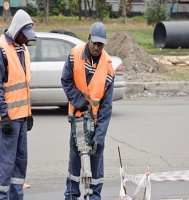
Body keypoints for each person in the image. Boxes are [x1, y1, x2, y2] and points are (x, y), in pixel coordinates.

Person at [61, 22, 115, 200]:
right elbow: (66, 81)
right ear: (89, 38)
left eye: (101, 45)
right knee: (75, 164)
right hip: (78, 121)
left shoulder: (108, 67)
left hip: (97, 124)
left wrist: (99, 137)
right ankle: (71, 196)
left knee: (96, 168)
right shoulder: (74, 55)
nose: (97, 48)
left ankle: (93, 197)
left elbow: (106, 107)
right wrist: (80, 103)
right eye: (95, 43)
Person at [0, 9, 35, 200]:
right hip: (7, 119)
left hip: (21, 118)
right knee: (4, 165)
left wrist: (28, 113)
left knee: (19, 165)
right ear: (17, 30)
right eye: (26, 35)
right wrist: (4, 115)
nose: (28, 39)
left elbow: (23, 85)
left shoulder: (23, 48)